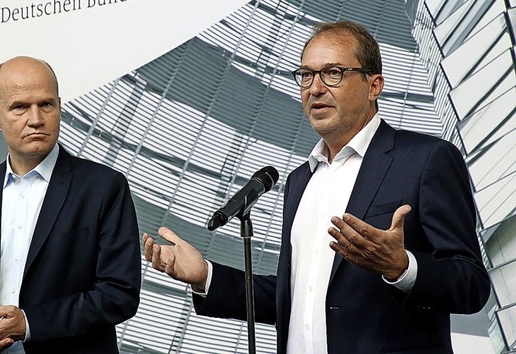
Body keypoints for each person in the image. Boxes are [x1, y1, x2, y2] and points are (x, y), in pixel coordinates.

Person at [142, 20, 490, 354]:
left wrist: (401, 267)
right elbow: (298, 298)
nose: (315, 88)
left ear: (374, 85)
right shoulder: (299, 181)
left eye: (333, 73)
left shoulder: (426, 159)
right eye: (306, 75)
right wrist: (206, 276)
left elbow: (472, 284)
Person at [0, 56, 141, 354]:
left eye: (46, 104)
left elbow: (119, 293)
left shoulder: (103, 187)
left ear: (60, 107)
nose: (36, 119)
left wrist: (29, 323)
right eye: (20, 107)